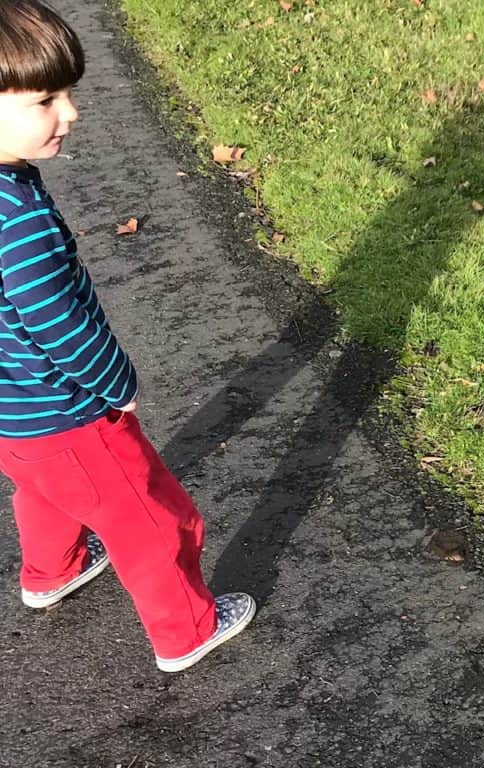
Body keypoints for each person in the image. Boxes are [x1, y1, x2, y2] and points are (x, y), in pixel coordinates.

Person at [0, 0, 254, 672]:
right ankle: (188, 629)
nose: (71, 113)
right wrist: (118, 386)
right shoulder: (15, 222)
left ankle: (52, 571)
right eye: (46, 99)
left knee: (46, 491)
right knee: (150, 519)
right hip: (66, 410)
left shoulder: (11, 182)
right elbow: (60, 324)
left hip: (12, 416)